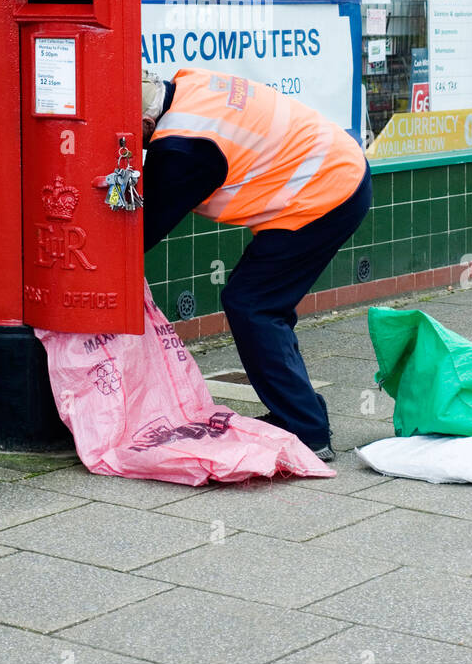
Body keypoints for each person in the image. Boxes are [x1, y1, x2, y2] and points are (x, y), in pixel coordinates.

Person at [141, 67, 373, 461]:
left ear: (147, 123)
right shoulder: (187, 85)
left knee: (254, 305)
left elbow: (143, 229)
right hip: (336, 171)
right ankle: (300, 414)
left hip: (327, 191)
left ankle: (305, 429)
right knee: (262, 304)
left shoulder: (183, 147)